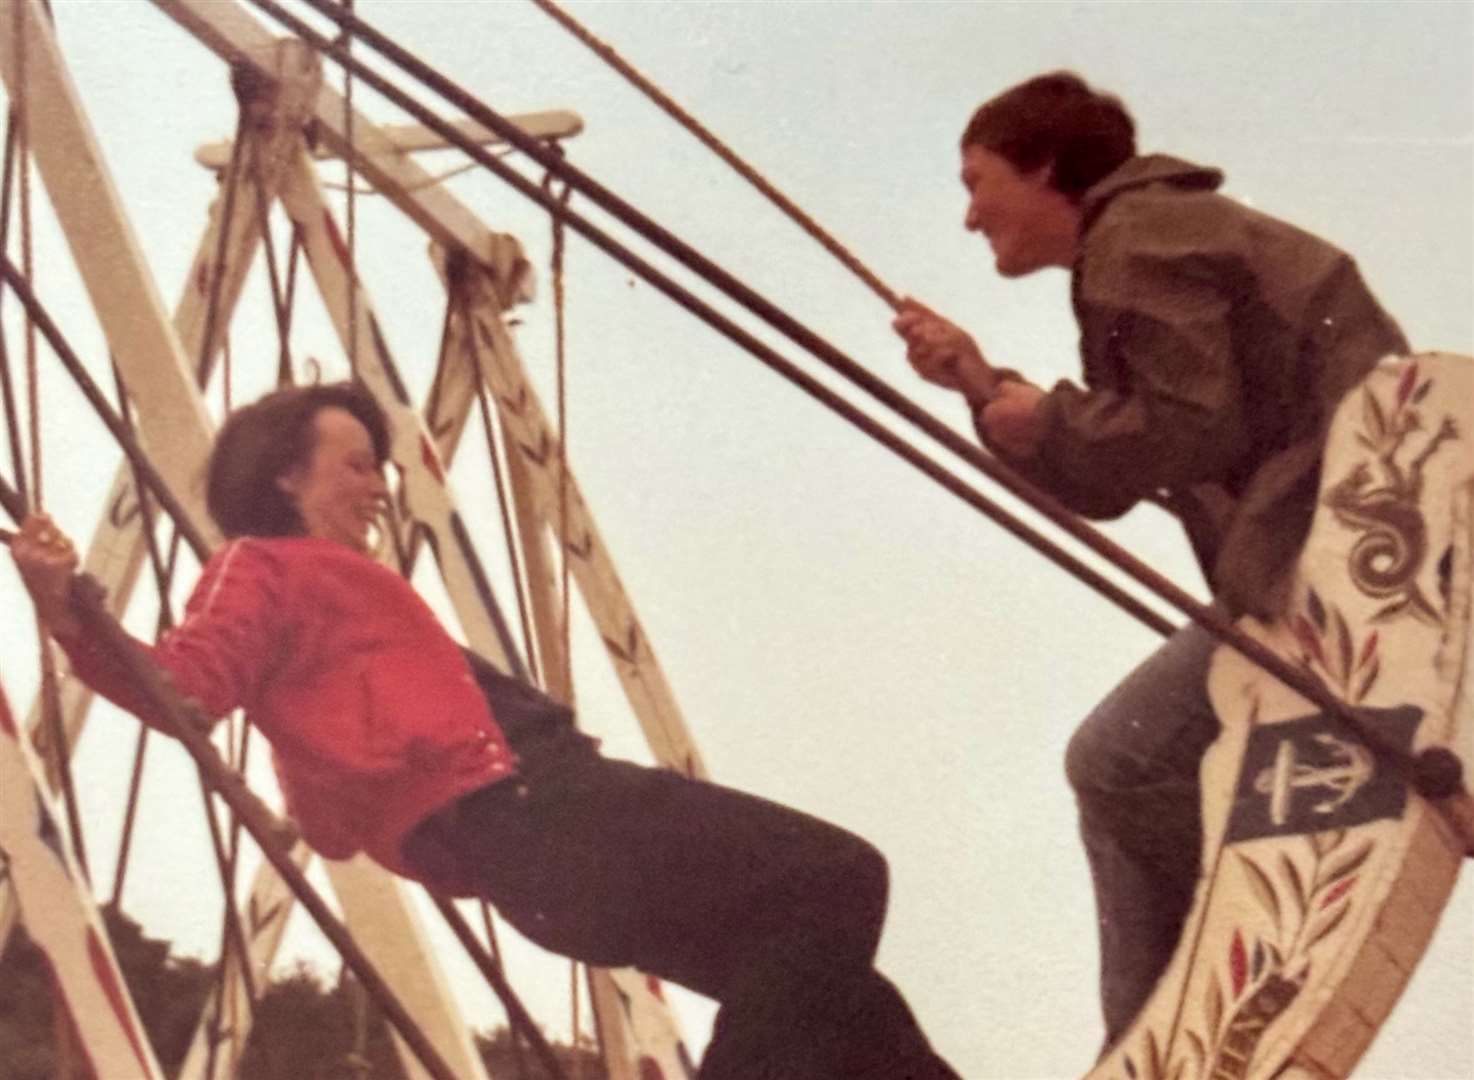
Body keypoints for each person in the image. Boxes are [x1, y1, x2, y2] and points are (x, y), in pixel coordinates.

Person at [10, 382, 958, 1080]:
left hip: (539, 856)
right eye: (356, 464)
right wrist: (75, 612)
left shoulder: (337, 591)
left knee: (842, 1001)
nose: (378, 484)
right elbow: (185, 688)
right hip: (544, 815)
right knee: (839, 876)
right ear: (286, 476)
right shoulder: (264, 566)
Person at [892, 72, 1407, 1048]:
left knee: (1121, 762)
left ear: (1045, 166)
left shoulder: (1137, 242)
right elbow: (1123, 465)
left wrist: (1036, 418)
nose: (968, 217)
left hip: (1324, 553)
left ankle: (1155, 1041)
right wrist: (983, 387)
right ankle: (1176, 1018)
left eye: (978, 181)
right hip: (1349, 536)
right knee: (1144, 764)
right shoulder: (1160, 235)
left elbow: (1180, 430)